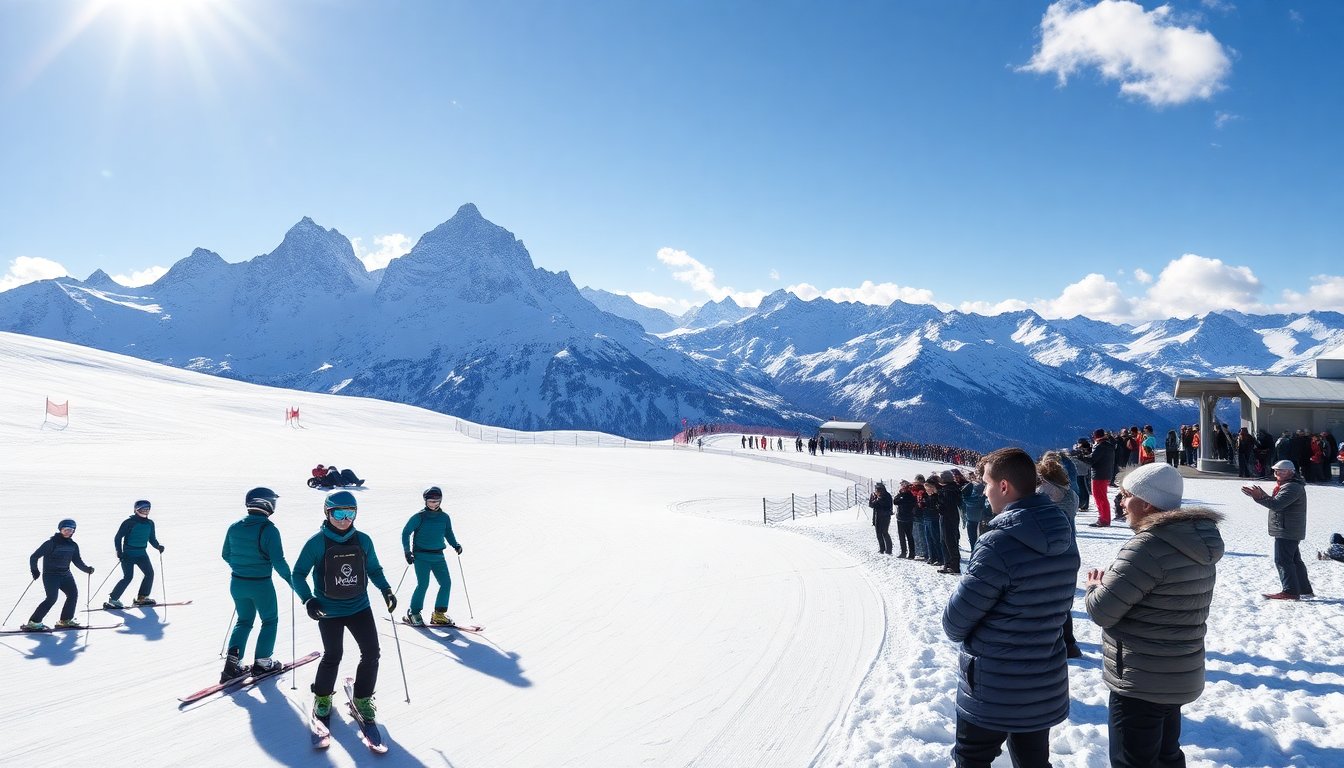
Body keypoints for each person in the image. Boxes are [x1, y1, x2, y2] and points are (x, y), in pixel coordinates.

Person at [942, 447, 1080, 768]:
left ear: (1004, 486)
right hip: (1042, 680)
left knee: (971, 759)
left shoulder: (999, 542)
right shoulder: (1062, 532)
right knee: (1032, 761)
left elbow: (955, 622)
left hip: (994, 684)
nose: (984, 491)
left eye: (986, 483)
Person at [1085, 463, 1223, 768]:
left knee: (1132, 760)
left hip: (1141, 677)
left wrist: (1095, 588)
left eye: (1125, 495)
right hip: (1176, 674)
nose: (1120, 502)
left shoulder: (1148, 546)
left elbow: (1103, 611)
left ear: (1146, 502)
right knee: (1166, 756)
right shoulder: (1196, 542)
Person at [293, 490, 396, 726]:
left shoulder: (363, 540)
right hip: (329, 610)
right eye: (338, 513)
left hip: (360, 606)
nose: (344, 518)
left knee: (372, 653)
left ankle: (362, 698)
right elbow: (298, 574)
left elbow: (374, 569)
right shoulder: (316, 543)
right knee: (333, 655)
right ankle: (322, 696)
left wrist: (386, 589)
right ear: (327, 513)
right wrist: (308, 599)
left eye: (350, 513)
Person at [220, 487, 293, 683]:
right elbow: (279, 561)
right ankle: (262, 662)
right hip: (261, 585)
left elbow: (226, 554)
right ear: (266, 504)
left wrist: (242, 566)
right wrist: (292, 580)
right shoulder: (269, 529)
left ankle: (232, 664)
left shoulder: (234, 527)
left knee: (244, 621)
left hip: (237, 583)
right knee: (269, 621)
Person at [1242, 460, 1314, 600]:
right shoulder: (1290, 485)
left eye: (1281, 471)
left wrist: (1258, 497)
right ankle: (1303, 589)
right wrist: (1260, 494)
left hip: (1287, 529)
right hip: (1288, 528)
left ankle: (1290, 591)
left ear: (1291, 472)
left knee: (1283, 560)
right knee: (1294, 560)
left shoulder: (1291, 487)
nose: (1277, 473)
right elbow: (1277, 502)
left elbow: (1277, 504)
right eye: (1275, 471)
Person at [401, 486, 465, 625]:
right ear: (425, 501)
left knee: (446, 583)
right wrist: (407, 551)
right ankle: (414, 612)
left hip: (438, 556)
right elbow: (406, 532)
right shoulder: (419, 517)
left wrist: (456, 545)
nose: (434, 504)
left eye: (436, 501)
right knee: (423, 584)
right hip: (421, 556)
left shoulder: (444, 517)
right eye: (430, 501)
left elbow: (448, 533)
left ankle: (438, 614)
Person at [24, 520, 95, 631]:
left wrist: (87, 569)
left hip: (66, 575)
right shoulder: (50, 543)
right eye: (65, 530)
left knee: (73, 595)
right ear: (60, 530)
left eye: (70, 530)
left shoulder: (73, 545)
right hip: (51, 576)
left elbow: (77, 561)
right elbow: (34, 557)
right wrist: (35, 570)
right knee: (52, 598)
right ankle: (34, 622)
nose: (67, 532)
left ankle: (65, 620)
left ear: (73, 531)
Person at [105, 499, 165, 609]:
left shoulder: (150, 523)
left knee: (149, 574)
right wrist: (119, 552)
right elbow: (118, 537)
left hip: (142, 554)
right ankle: (113, 600)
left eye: (147, 509)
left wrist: (158, 546)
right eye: (143, 509)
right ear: (136, 510)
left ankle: (142, 597)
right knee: (128, 577)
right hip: (128, 554)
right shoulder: (129, 522)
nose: (145, 511)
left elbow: (151, 539)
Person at [1083, 429, 1116, 526]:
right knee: (1102, 497)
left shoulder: (1100, 446)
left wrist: (1081, 457)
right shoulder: (1109, 445)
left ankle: (1104, 519)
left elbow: (1092, 460)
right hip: (1105, 473)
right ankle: (1104, 518)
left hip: (1098, 474)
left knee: (1099, 497)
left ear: (1096, 437)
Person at [893, 480, 918, 558]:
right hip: (900, 517)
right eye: (901, 486)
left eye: (904, 486)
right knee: (901, 536)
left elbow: (909, 502)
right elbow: (895, 501)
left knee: (909, 536)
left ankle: (912, 553)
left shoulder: (910, 495)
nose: (902, 487)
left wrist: (902, 498)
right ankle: (903, 552)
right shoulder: (899, 494)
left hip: (908, 518)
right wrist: (901, 496)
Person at [869, 482, 894, 556]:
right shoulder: (876, 496)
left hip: (885, 516)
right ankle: (882, 548)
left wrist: (877, 499)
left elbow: (882, 505)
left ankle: (889, 550)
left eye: (877, 490)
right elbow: (871, 505)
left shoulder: (886, 496)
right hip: (878, 516)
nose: (876, 491)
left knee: (884, 532)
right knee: (878, 533)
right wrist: (874, 498)